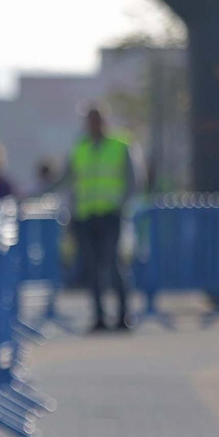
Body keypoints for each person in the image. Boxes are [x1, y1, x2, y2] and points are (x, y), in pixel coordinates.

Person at [64, 106, 135, 331]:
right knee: (92, 269)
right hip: (86, 217)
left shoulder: (120, 146)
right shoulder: (80, 148)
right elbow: (67, 179)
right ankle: (99, 318)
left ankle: (123, 317)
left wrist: (122, 205)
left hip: (111, 215)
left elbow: (134, 180)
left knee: (114, 264)